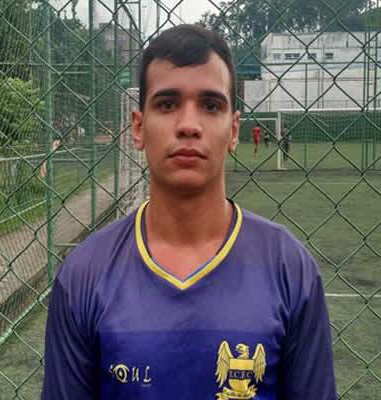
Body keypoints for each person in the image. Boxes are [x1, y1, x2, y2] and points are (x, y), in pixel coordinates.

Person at [42, 24, 337, 400]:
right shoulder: (83, 276)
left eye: (210, 106)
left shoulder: (290, 268)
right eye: (167, 104)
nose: (188, 126)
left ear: (233, 130)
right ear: (138, 127)